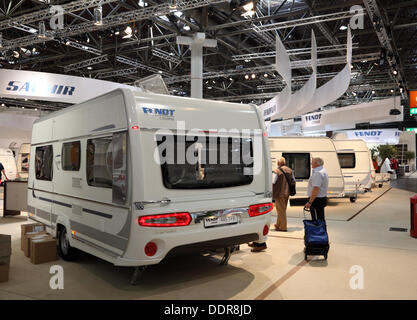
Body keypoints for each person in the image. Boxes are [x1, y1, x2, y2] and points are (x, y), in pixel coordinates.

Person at [305, 157, 329, 223]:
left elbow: (316, 188)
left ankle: (319, 233)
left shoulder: (318, 173)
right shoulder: (323, 170)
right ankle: (321, 232)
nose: (311, 163)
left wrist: (310, 202)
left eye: (312, 162)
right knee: (320, 218)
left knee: (317, 220)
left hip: (316, 200)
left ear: (316, 163)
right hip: (320, 199)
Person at [273, 157, 293, 232]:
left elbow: (272, 182)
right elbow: (293, 180)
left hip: (279, 193)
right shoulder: (290, 170)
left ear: (278, 163)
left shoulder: (276, 171)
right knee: (282, 210)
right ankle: (278, 224)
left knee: (280, 210)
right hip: (287, 193)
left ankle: (283, 227)